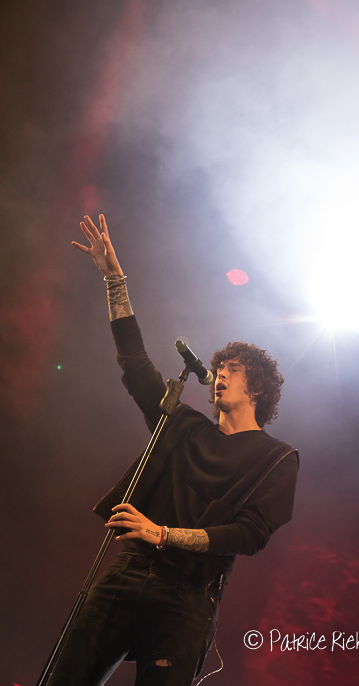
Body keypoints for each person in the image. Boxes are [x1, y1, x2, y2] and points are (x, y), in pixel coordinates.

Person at [49, 214, 298, 686]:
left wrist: (162, 533)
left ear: (258, 389)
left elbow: (248, 535)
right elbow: (135, 365)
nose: (221, 373)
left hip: (190, 595)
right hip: (130, 573)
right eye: (219, 367)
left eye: (234, 369)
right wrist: (114, 280)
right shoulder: (183, 426)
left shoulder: (277, 458)